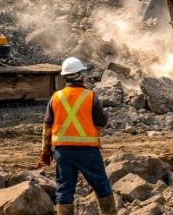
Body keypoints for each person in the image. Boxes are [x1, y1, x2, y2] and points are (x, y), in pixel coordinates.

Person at [39, 57, 116, 215]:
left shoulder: (56, 97)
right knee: (101, 186)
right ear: (80, 75)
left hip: (63, 153)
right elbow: (101, 122)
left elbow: (47, 127)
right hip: (87, 152)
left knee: (64, 190)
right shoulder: (90, 96)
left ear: (65, 76)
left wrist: (46, 151)